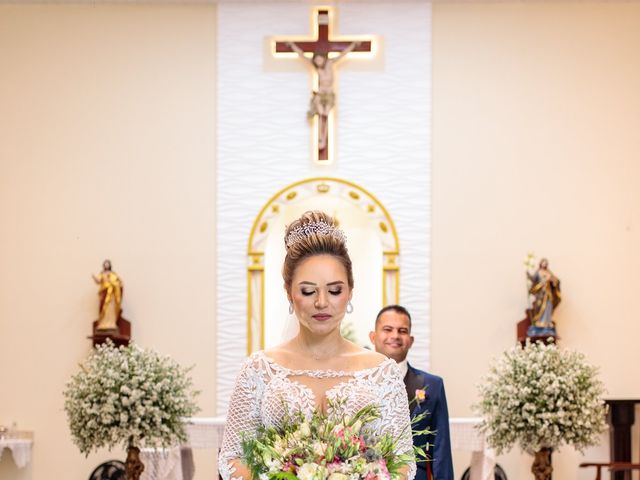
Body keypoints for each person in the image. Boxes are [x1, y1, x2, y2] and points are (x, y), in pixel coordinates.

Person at [219, 211, 415, 480]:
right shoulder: (258, 370)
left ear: (350, 291)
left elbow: (402, 461)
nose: (322, 302)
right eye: (308, 291)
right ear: (289, 292)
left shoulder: (382, 372)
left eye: (334, 290)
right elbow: (233, 456)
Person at [369, 305, 454, 480]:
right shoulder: (356, 382)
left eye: (402, 331)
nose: (395, 336)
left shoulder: (433, 385)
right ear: (373, 336)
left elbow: (441, 448)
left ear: (411, 340)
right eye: (387, 329)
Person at [288, 42, 360, 149]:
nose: (318, 62)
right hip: (320, 94)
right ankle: (321, 139)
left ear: (323, 57)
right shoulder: (317, 68)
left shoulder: (330, 63)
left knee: (325, 114)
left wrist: (353, 46)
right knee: (321, 113)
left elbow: (343, 54)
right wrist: (292, 46)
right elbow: (302, 55)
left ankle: (323, 138)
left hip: (329, 94)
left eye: (319, 59)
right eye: (316, 61)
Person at [526, 258, 561, 336]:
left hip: (548, 294)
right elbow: (533, 280)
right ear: (540, 264)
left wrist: (553, 281)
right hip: (541, 295)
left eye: (546, 263)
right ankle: (539, 323)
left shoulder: (549, 272)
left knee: (548, 307)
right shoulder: (538, 272)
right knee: (539, 307)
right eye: (543, 263)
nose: (544, 264)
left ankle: (546, 323)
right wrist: (528, 275)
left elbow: (556, 281)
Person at [92, 259, 123, 331]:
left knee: (110, 308)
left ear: (110, 265)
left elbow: (120, 283)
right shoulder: (102, 274)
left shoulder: (113, 274)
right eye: (105, 264)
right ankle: (103, 324)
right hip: (104, 292)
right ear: (103, 265)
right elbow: (98, 281)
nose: (106, 265)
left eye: (107, 264)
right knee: (103, 307)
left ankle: (112, 323)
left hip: (111, 295)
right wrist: (94, 277)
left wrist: (113, 284)